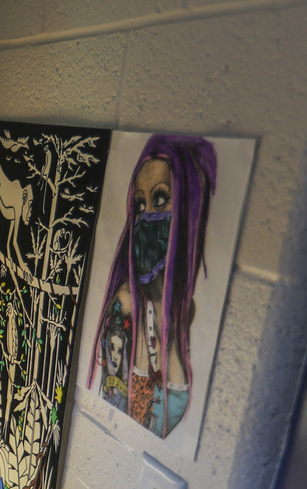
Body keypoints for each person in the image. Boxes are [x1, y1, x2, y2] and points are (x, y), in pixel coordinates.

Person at [89, 135, 216, 438]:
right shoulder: (127, 303)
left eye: (160, 199)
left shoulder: (188, 313)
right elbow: (114, 406)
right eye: (140, 204)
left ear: (188, 208)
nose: (146, 217)